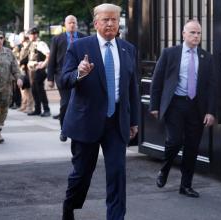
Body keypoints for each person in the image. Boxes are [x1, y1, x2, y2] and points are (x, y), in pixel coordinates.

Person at [60, 3, 139, 220]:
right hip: (86, 122)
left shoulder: (128, 49)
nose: (111, 23)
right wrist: (79, 72)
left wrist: (134, 120)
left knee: (117, 174)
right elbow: (64, 80)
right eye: (106, 19)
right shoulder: (79, 47)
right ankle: (70, 206)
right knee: (81, 174)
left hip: (116, 123)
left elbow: (132, 88)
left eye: (114, 19)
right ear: (96, 23)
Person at [149, 19, 216, 198]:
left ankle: (185, 185)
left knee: (192, 147)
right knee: (175, 141)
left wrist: (210, 111)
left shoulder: (206, 57)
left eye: (198, 33)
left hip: (197, 107)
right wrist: (154, 105)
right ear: (183, 34)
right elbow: (157, 80)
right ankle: (165, 169)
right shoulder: (170, 53)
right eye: (192, 32)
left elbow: (211, 86)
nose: (196, 36)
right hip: (176, 104)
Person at [47, 15, 86, 142]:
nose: (72, 25)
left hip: (80, 74)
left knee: (80, 102)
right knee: (65, 102)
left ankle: (78, 128)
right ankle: (64, 129)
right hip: (62, 75)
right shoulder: (57, 39)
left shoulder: (83, 37)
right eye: (70, 23)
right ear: (65, 24)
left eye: (74, 23)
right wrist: (50, 78)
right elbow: (52, 59)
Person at [24, 27, 51, 117]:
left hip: (39, 70)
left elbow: (48, 55)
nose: (30, 36)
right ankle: (37, 109)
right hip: (32, 70)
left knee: (40, 89)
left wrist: (43, 64)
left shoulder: (41, 44)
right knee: (34, 89)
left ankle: (46, 109)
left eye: (31, 34)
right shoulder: (32, 44)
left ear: (36, 34)